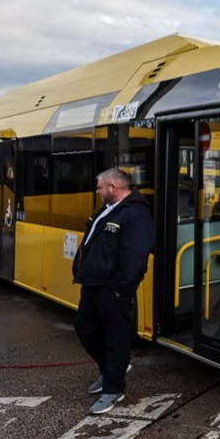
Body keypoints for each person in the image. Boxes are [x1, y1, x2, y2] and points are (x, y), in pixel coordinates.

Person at [72, 168, 154, 415]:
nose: (97, 191)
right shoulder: (109, 209)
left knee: (116, 337)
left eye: (99, 187)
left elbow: (136, 256)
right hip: (92, 283)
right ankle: (110, 369)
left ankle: (114, 388)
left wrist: (120, 289)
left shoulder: (136, 214)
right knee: (84, 327)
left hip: (113, 288)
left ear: (114, 188)